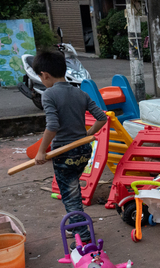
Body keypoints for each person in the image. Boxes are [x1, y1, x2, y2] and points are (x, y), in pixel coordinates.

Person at [32, 50, 107, 247]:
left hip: (63, 153)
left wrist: (41, 151)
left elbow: (53, 125)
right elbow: (102, 117)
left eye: (40, 77)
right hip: (83, 151)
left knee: (71, 196)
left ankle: (83, 238)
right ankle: (77, 227)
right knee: (72, 189)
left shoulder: (49, 94)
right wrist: (86, 136)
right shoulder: (80, 92)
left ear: (45, 75)